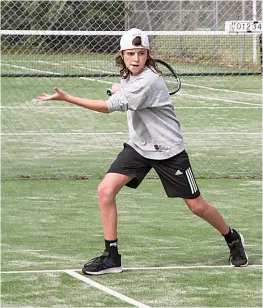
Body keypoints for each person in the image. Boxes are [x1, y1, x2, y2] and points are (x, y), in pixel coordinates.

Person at [37, 28, 248, 275]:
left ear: (148, 55)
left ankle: (232, 237)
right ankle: (111, 257)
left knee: (197, 207)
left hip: (169, 151)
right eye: (130, 54)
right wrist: (121, 89)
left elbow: (108, 107)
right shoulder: (130, 77)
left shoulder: (149, 80)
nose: (135, 59)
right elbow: (126, 92)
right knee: (106, 190)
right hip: (139, 147)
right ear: (122, 55)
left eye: (140, 53)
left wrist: (68, 98)